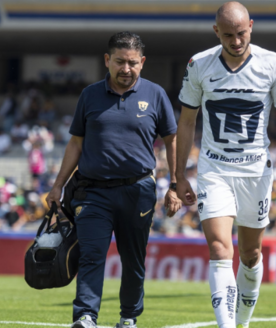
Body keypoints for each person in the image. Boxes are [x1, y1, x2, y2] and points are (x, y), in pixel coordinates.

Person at [175, 2, 276, 328]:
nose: (236, 40)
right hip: (214, 169)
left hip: (255, 172)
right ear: (217, 32)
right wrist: (179, 176)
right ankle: (226, 326)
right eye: (228, 34)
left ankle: (241, 322)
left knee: (250, 255)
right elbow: (186, 122)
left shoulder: (273, 64)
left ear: (251, 27)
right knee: (219, 248)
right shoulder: (199, 64)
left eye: (241, 33)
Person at [46, 31, 181, 328]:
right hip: (92, 192)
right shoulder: (89, 95)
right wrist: (57, 185)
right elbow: (76, 144)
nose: (126, 68)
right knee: (92, 255)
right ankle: (85, 316)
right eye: (119, 61)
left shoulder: (156, 94)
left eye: (132, 62)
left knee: (133, 260)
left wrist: (174, 185)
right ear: (107, 60)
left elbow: (173, 141)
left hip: (139, 190)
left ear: (142, 62)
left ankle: (129, 317)